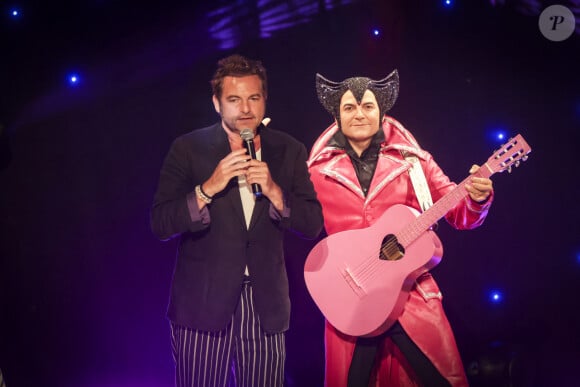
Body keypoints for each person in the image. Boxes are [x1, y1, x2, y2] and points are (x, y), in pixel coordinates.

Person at [307, 71, 494, 386]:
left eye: (367, 106)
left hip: (409, 296)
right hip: (351, 297)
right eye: (349, 108)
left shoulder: (415, 163)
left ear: (381, 112)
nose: (359, 115)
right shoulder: (316, 172)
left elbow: (460, 215)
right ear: (336, 116)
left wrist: (478, 197)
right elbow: (292, 218)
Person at [150, 54, 323, 387]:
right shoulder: (188, 148)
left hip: (265, 305)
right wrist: (206, 189)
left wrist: (274, 191)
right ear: (217, 103)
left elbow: (312, 223)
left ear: (264, 100)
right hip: (202, 306)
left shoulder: (289, 149)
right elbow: (160, 223)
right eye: (234, 99)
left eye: (253, 98)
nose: (245, 108)